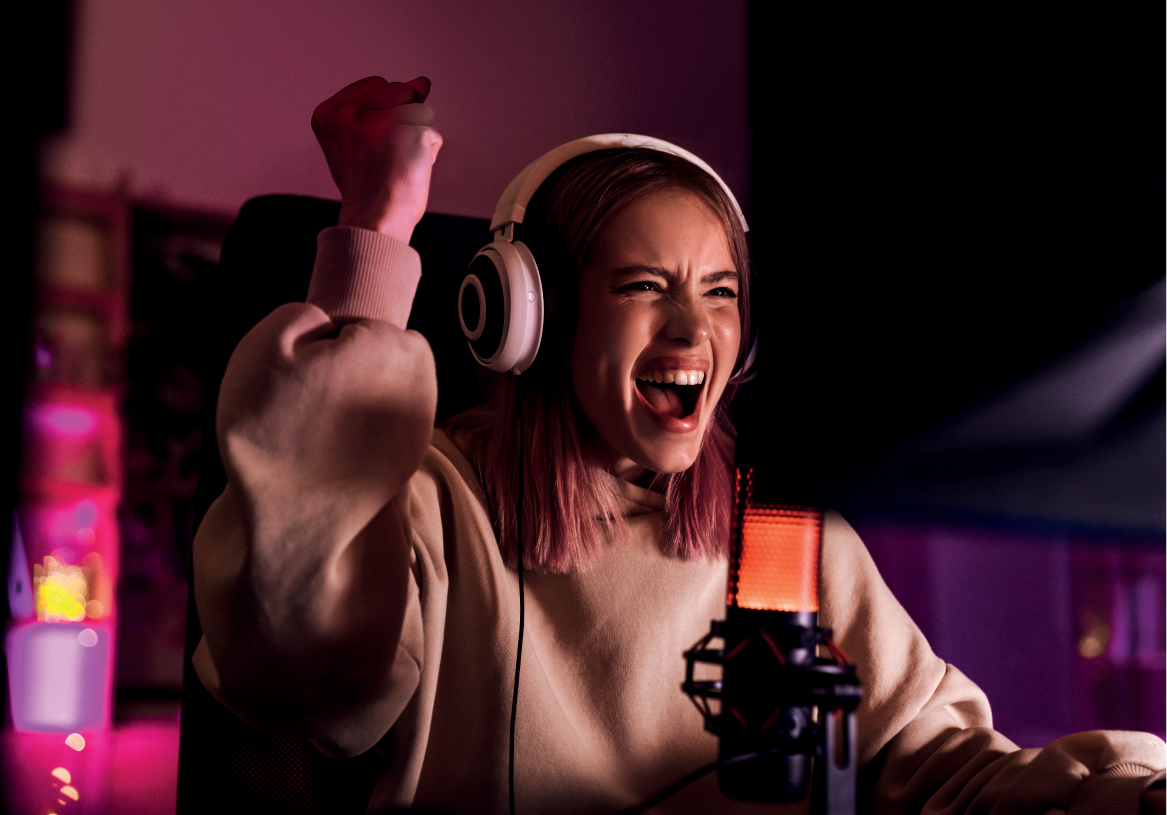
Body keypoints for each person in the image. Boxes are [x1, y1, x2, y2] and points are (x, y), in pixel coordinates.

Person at [191, 75, 1167, 813]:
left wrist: (1126, 793)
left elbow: (941, 765)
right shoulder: (432, 511)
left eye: (721, 292)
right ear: (531, 315)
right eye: (643, 285)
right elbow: (291, 657)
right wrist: (374, 232)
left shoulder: (780, 542)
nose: (693, 333)